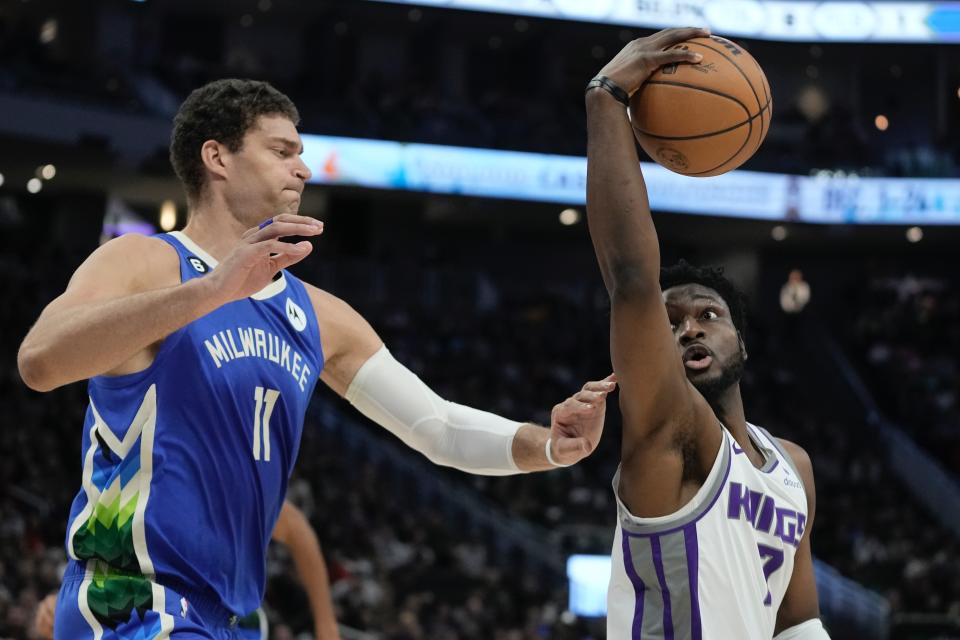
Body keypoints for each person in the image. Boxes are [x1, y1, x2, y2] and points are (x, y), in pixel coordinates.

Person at [17, 79, 614, 639]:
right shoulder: (143, 263)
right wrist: (212, 291)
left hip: (233, 614)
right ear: (217, 157)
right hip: (134, 599)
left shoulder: (320, 315)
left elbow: (440, 428)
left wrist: (548, 447)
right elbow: (39, 362)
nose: (301, 167)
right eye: (281, 150)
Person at [584, 29, 828, 639]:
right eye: (668, 325)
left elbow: (797, 626)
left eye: (707, 315)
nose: (687, 328)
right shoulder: (673, 430)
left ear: (742, 343)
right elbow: (633, 280)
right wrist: (607, 98)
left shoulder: (792, 466)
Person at [31, 501, 339, 640]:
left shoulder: (222, 477)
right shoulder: (132, 462)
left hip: (213, 613)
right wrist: (74, 604)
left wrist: (327, 628)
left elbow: (297, 528)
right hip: (136, 599)